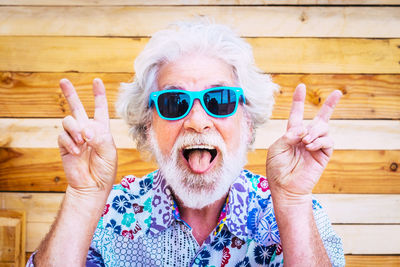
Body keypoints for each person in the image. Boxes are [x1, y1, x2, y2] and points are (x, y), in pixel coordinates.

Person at [29, 20, 345, 266]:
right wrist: (83, 197)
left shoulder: (297, 210)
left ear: (246, 123)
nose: (197, 121)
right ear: (147, 125)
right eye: (173, 102)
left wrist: (292, 202)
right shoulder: (109, 213)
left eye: (219, 100)